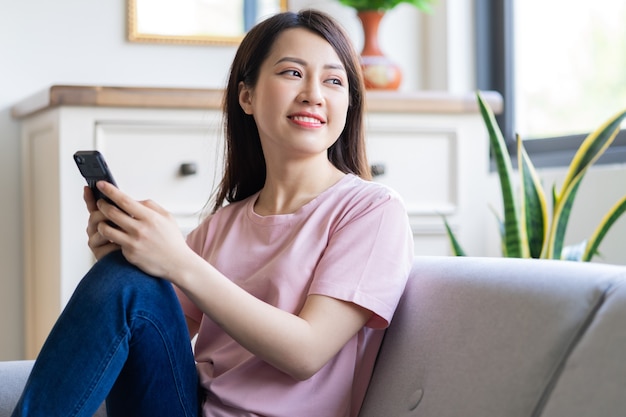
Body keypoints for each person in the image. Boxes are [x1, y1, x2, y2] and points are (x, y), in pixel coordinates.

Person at [12, 9, 414, 417]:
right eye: (293, 73)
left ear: (349, 104)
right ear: (247, 96)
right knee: (126, 278)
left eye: (333, 80)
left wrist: (178, 261)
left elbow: (307, 352)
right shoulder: (223, 225)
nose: (314, 93)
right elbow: (151, 330)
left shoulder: (372, 211)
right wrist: (127, 263)